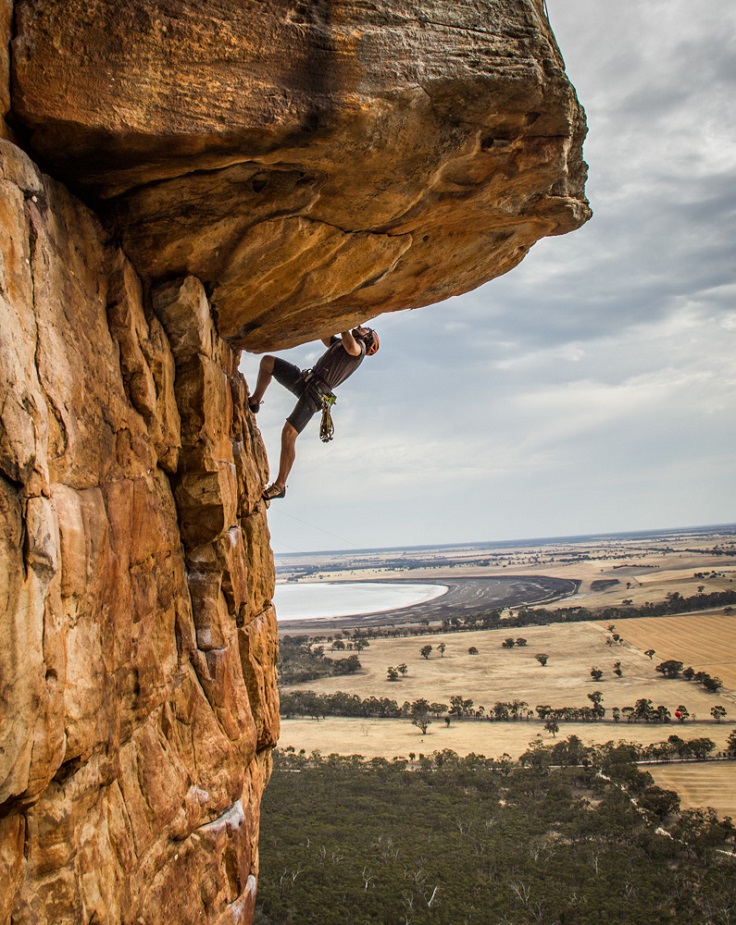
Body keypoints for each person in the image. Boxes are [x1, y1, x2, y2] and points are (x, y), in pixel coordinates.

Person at [249, 325, 380, 501]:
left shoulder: (360, 349)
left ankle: (280, 486)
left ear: (368, 339)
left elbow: (352, 348)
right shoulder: (340, 344)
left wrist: (345, 325)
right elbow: (326, 336)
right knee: (267, 362)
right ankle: (255, 401)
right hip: (306, 380)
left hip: (316, 393)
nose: (360, 326)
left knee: (288, 434)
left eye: (365, 329)